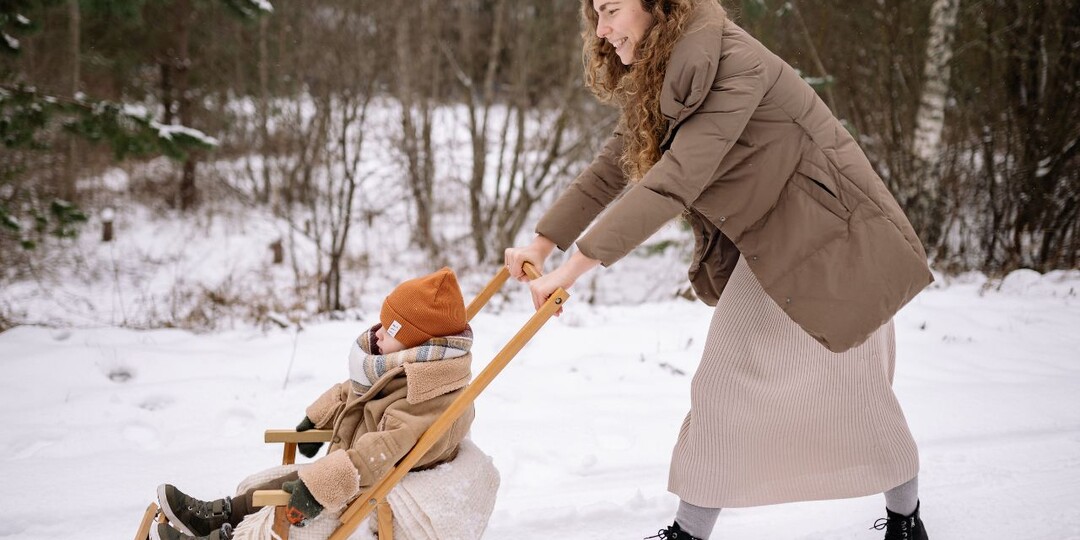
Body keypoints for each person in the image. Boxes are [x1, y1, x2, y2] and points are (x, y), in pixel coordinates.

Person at [504, 1, 934, 539]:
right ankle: (898, 520)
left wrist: (574, 269)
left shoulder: (734, 65)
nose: (602, 29)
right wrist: (544, 244)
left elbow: (675, 178)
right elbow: (617, 161)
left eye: (611, 9)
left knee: (846, 388)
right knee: (807, 387)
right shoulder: (672, 67)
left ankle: (902, 519)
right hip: (780, 240)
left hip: (839, 243)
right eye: (595, 13)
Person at [150, 267, 476, 540]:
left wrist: (321, 488)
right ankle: (219, 515)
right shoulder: (402, 369)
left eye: (388, 330)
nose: (376, 334)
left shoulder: (427, 394)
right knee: (273, 486)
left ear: (415, 340)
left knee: (290, 495)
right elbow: (354, 391)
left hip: (376, 482)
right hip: (353, 468)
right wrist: (319, 418)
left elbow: (384, 450)